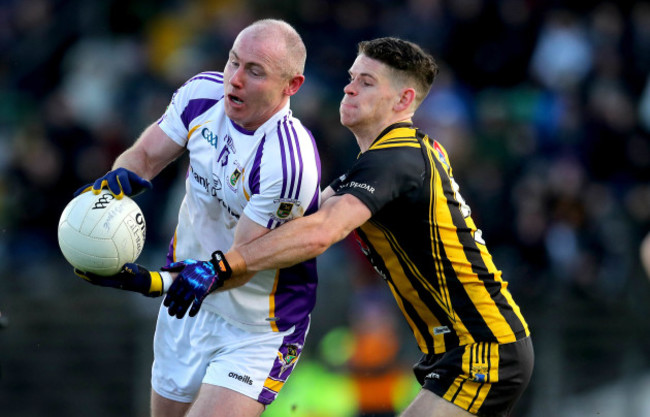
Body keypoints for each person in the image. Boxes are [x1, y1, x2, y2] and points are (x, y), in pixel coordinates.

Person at [165, 37, 534, 417]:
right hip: (460, 352)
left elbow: (321, 231)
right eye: (351, 77)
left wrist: (223, 265)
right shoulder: (386, 160)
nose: (349, 87)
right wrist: (172, 274)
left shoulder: (398, 158)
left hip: (484, 351)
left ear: (403, 101)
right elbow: (293, 226)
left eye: (367, 82)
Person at [74, 19, 321, 417]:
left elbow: (242, 261)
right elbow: (145, 157)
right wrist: (111, 186)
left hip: (256, 327)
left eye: (254, 71)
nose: (234, 80)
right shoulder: (202, 93)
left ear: (291, 86)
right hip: (186, 306)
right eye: (233, 62)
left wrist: (153, 282)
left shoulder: (286, 160)